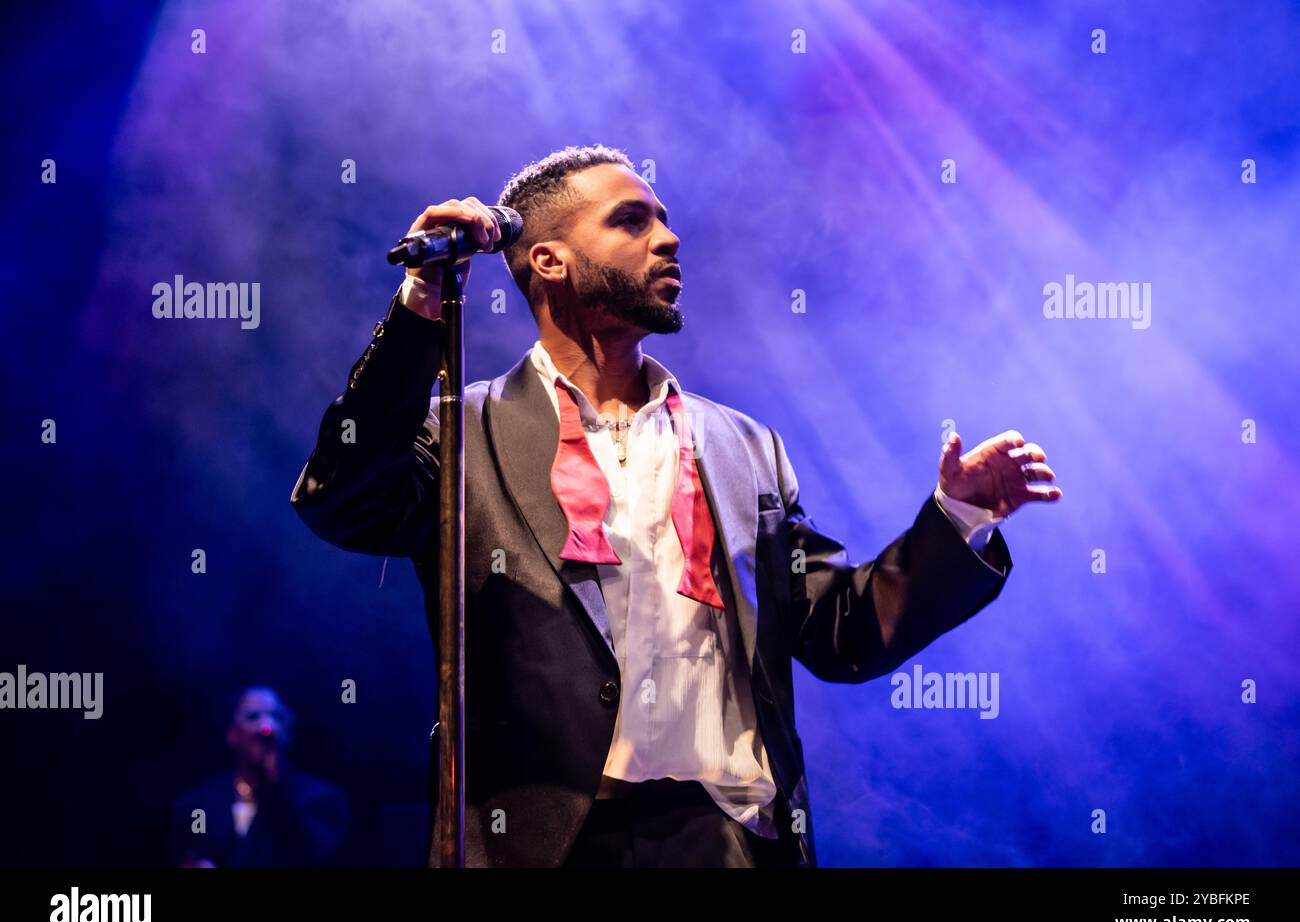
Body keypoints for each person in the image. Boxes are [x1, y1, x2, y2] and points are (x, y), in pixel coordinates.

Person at [290, 144, 1062, 867]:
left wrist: (955, 517)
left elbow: (840, 630)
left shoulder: (741, 445)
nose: (669, 237)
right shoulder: (466, 430)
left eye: (662, 218)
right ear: (549, 260)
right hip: (549, 841)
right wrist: (419, 308)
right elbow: (342, 500)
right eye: (632, 221)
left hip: (729, 838)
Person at [171, 687, 350, 867]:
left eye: (276, 717)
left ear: (287, 732)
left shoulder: (322, 801)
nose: (266, 728)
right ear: (232, 733)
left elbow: (314, 856)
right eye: (253, 717)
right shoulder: (197, 804)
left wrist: (276, 789)